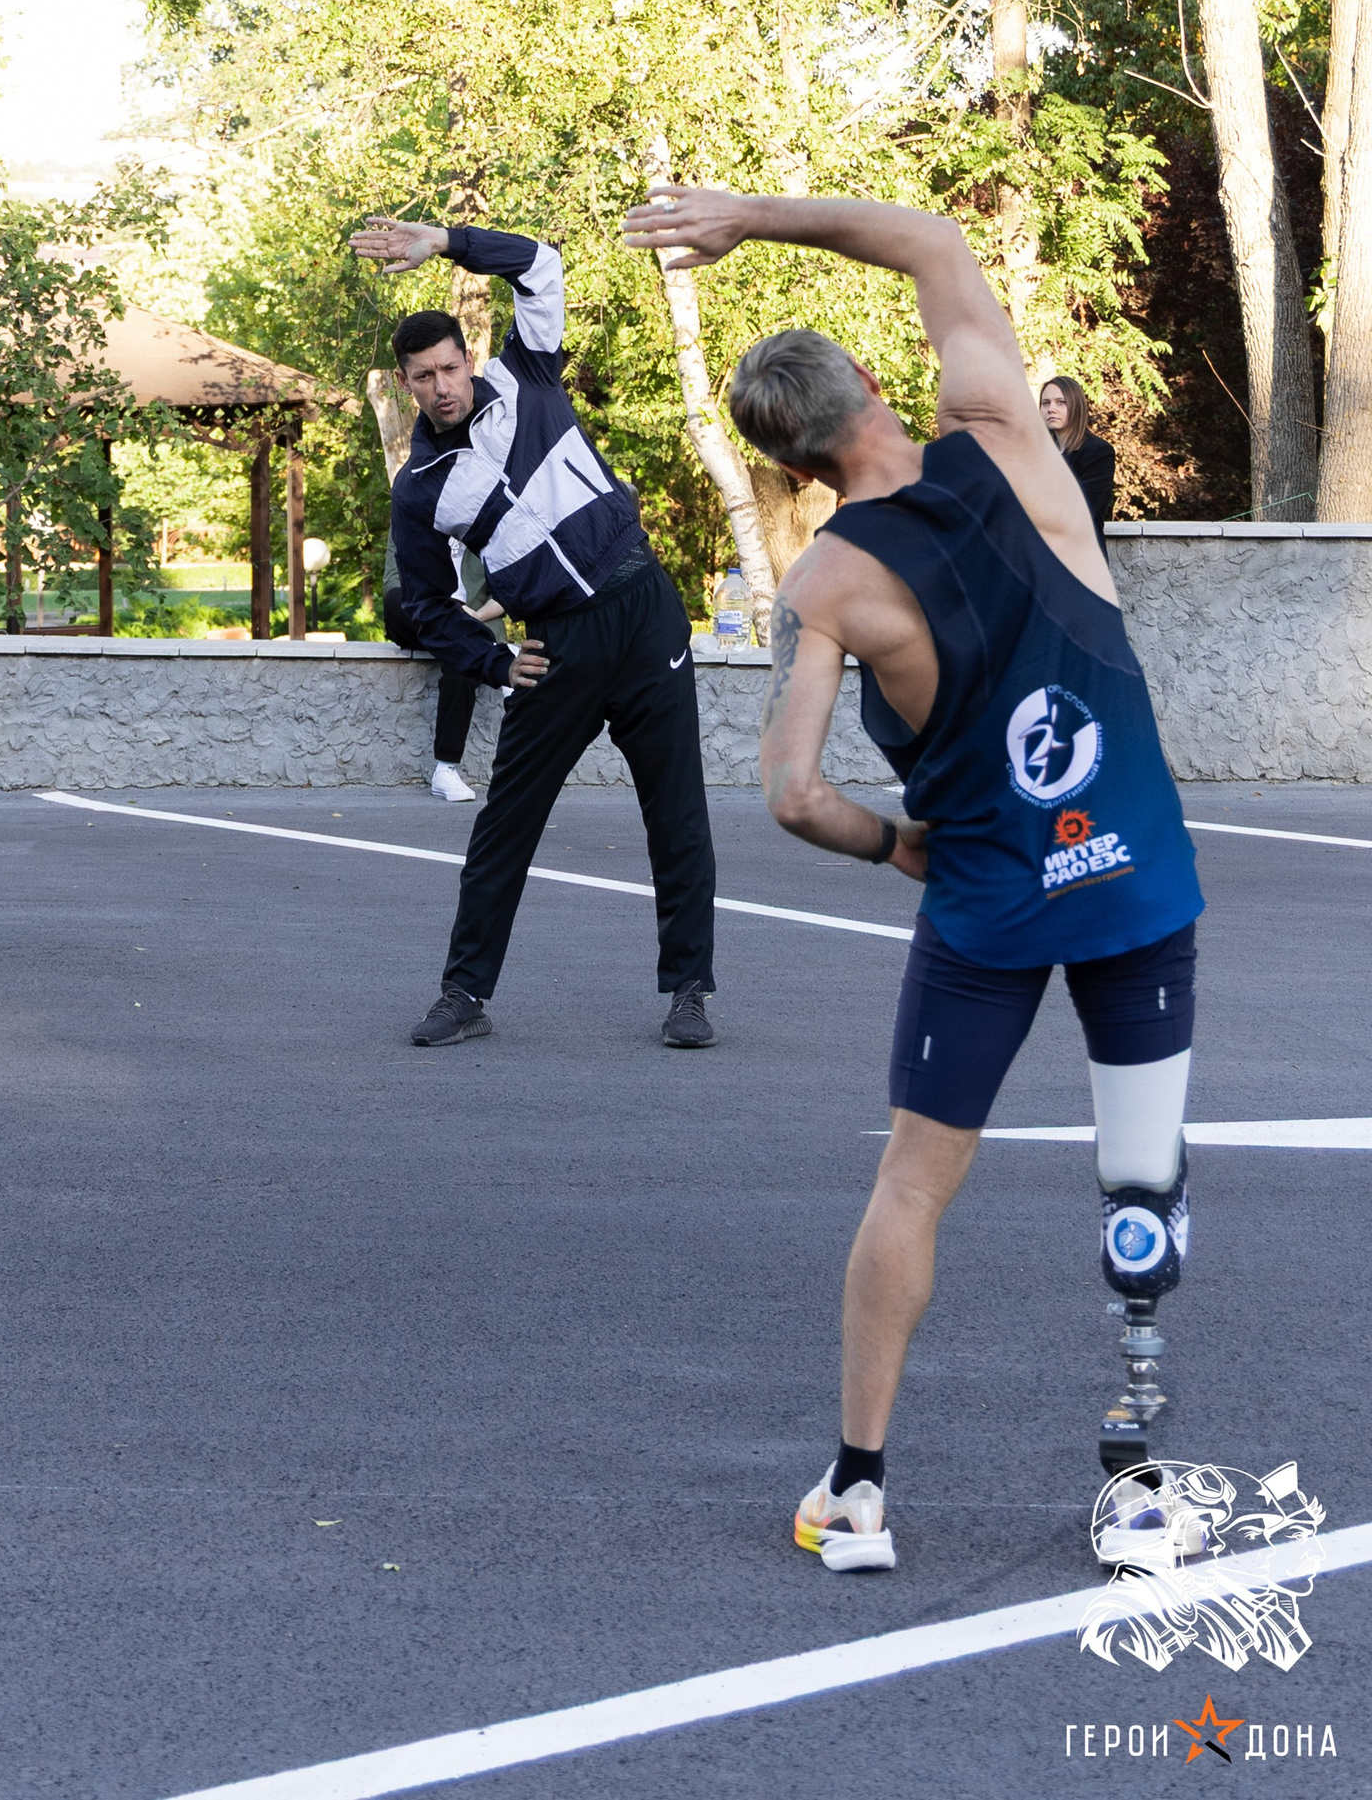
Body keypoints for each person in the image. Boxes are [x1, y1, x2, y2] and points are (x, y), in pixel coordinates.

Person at [622, 188, 1200, 1571]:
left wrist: (893, 843)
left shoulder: (826, 582)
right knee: (1142, 1183)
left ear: (791, 460)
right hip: (1134, 877)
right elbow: (930, 241)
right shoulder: (1001, 425)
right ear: (875, 385)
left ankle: (860, 1489)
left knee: (912, 1186)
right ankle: (1140, 1492)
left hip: (987, 904)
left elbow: (792, 792)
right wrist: (748, 217)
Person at [349, 217, 718, 1048]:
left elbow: (542, 265)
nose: (442, 385)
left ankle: (689, 991)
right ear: (405, 384)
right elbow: (426, 604)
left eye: (450, 367)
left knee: (676, 811)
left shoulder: (527, 375)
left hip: (643, 607)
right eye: (423, 377)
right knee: (504, 823)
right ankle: (463, 994)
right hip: (555, 647)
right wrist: (492, 661)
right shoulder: (421, 488)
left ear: (468, 360)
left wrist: (446, 241)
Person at [382, 529, 506, 802]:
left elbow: (509, 589)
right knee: (394, 601)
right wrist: (447, 613)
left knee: (464, 651)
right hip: (417, 613)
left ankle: (445, 769)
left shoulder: (490, 521)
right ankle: (477, 643)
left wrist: (475, 616)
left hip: (474, 620)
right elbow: (393, 581)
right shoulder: (413, 512)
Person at [1041, 375, 1116, 551]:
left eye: (1060, 402)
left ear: (1076, 406)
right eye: (1045, 403)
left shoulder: (1097, 452)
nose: (1051, 409)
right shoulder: (1038, 453)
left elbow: (1080, 512)